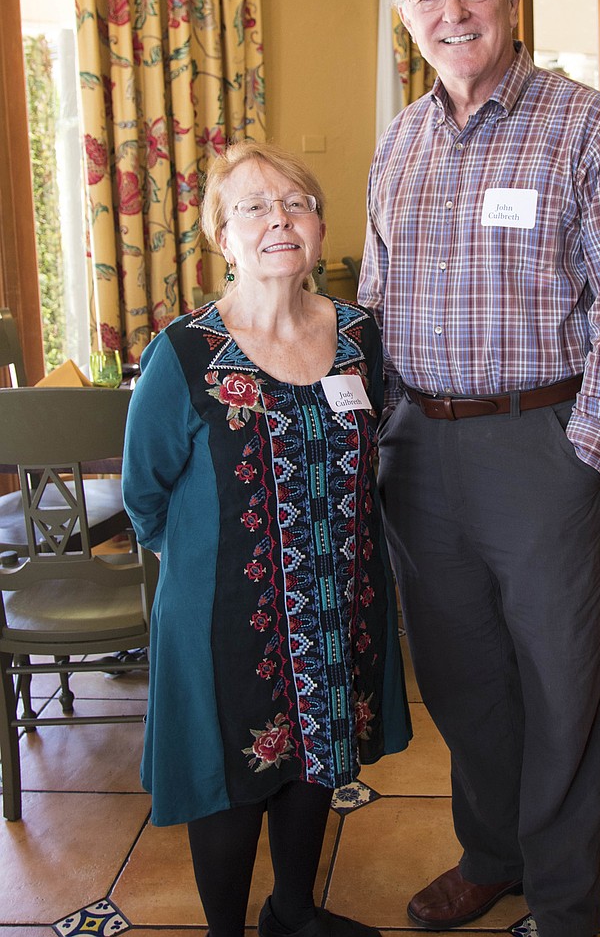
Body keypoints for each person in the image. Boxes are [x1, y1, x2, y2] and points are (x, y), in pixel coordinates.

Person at [359, 0, 600, 937]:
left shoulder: (588, 127)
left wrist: (583, 446)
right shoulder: (399, 140)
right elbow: (375, 294)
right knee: (461, 675)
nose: (452, 13)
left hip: (540, 443)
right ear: (405, 16)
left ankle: (568, 901)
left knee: (562, 679)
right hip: (419, 448)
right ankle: (493, 854)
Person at [123, 141, 410, 937]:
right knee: (233, 773)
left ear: (319, 227)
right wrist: (206, 566)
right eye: (253, 207)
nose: (279, 220)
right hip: (225, 611)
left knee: (317, 753)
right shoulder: (185, 354)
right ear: (223, 236)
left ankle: (293, 910)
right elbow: (143, 492)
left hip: (335, 595)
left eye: (296, 203)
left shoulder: (361, 337)